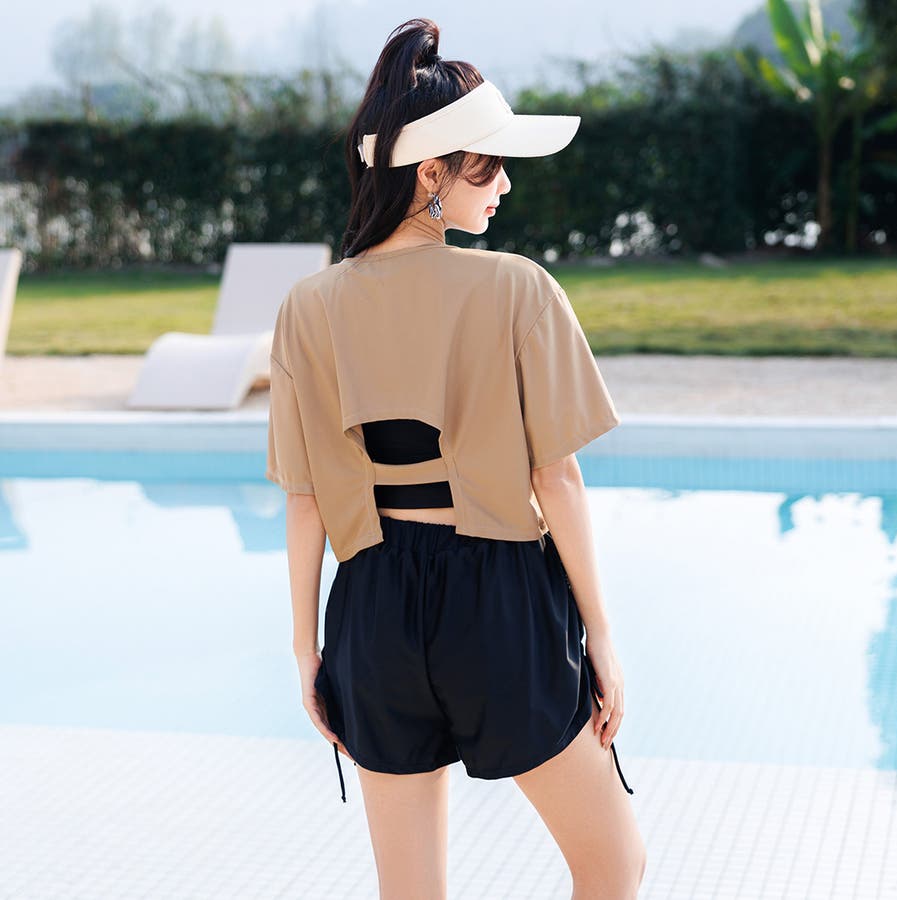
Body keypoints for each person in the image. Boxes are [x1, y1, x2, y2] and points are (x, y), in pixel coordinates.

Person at [265, 17, 647, 900]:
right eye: (489, 164)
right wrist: (600, 634)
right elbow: (556, 478)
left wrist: (306, 649)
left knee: (410, 889)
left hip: (370, 605)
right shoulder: (516, 287)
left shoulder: (306, 308)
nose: (505, 183)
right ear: (430, 172)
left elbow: (305, 497)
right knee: (613, 863)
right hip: (499, 597)